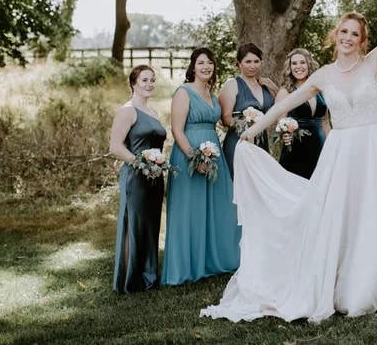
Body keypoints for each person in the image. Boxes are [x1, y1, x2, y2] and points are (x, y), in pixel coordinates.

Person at [200, 0, 377, 323]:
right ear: (336, 35)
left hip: (371, 149)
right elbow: (285, 104)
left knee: (372, 218)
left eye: (355, 33)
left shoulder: (373, 63)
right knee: (338, 218)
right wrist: (253, 127)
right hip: (340, 153)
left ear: (363, 40)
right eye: (344, 32)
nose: (348, 38)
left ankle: (367, 286)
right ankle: (337, 284)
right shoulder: (322, 74)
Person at [161, 48, 240, 286]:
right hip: (189, 156)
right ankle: (187, 266)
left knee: (219, 206)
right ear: (193, 66)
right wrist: (195, 157)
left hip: (213, 153)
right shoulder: (184, 92)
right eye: (201, 63)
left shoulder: (211, 93)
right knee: (191, 210)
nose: (206, 67)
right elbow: (176, 130)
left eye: (210, 63)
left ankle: (215, 259)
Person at [109, 65, 166, 293]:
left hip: (155, 177)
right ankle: (131, 280)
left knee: (151, 225)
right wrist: (142, 164)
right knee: (134, 225)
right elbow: (115, 146)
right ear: (134, 83)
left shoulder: (153, 113)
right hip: (136, 177)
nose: (150, 83)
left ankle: (149, 276)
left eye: (152, 79)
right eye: (144, 80)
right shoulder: (127, 111)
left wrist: (156, 165)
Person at [218, 43, 275, 178]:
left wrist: (273, 87)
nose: (253, 66)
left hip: (261, 143)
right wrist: (248, 124)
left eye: (256, 61)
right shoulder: (232, 84)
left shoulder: (265, 85)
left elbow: (280, 107)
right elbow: (225, 119)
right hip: (239, 143)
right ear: (239, 64)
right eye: (248, 61)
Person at [276, 48, 328, 179]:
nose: (298, 67)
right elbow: (280, 123)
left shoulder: (320, 90)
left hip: (320, 148)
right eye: (294, 63)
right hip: (296, 149)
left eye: (302, 62)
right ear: (290, 67)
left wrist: (332, 146)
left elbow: (326, 122)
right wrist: (284, 135)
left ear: (309, 64)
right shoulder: (285, 92)